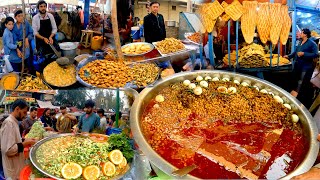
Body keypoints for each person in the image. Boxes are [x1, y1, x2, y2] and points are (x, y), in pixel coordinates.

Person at [0, 99, 36, 179]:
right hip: (13, 171)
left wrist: (25, 140)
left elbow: (14, 140)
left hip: (16, 165)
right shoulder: (9, 123)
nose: (25, 115)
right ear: (17, 109)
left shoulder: (14, 122)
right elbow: (8, 150)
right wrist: (25, 144)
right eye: (24, 112)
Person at [284, 28, 319, 108]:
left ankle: (299, 99)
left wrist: (304, 54)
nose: (300, 34)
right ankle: (293, 92)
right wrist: (289, 56)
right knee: (295, 78)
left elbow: (316, 54)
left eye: (301, 33)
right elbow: (296, 52)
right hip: (298, 64)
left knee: (301, 81)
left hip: (305, 66)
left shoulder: (312, 43)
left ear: (305, 34)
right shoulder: (300, 42)